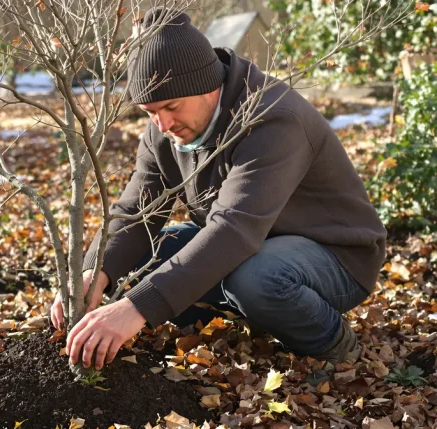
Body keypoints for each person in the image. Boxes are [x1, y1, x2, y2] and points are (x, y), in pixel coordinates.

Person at [49, 8, 387, 375]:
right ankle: (258, 314)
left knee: (256, 280)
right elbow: (140, 210)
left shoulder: (271, 118)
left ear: (207, 85)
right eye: (150, 112)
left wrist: (135, 310)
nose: (163, 125)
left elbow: (233, 230)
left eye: (171, 107)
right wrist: (93, 272)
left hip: (334, 256)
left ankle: (333, 341)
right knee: (131, 271)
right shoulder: (165, 130)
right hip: (254, 247)